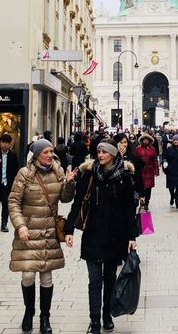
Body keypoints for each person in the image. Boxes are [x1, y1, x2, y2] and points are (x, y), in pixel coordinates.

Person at [65, 140, 137, 334]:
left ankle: (107, 315)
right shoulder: (88, 175)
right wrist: (68, 230)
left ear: (113, 154)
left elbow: (129, 208)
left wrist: (132, 235)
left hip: (115, 235)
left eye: (104, 151)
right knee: (94, 280)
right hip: (93, 234)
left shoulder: (124, 177)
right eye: (98, 151)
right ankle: (94, 320)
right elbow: (77, 203)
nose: (100, 154)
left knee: (110, 278)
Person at [8, 138, 77, 334]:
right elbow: (13, 201)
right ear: (37, 154)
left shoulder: (58, 171)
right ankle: (29, 312)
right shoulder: (25, 174)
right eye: (46, 152)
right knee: (28, 275)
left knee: (46, 276)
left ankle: (45, 317)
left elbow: (65, 198)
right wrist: (19, 225)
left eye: (51, 152)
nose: (50, 155)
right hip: (28, 233)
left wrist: (70, 183)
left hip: (48, 232)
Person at [0, 133, 19, 232]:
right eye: (3, 142)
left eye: (6, 143)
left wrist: (15, 182)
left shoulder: (13, 154)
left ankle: (4, 223)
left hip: (8, 183)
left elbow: (16, 168)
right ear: (0, 143)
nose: (4, 145)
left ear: (9, 144)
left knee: (6, 203)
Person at [135, 133, 159, 210]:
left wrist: (156, 170)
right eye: (144, 139)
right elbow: (135, 159)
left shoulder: (152, 149)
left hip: (149, 170)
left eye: (147, 140)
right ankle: (141, 201)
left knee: (148, 188)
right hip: (140, 171)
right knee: (141, 187)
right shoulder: (138, 149)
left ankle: (147, 202)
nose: (145, 141)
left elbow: (155, 160)